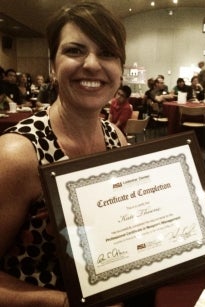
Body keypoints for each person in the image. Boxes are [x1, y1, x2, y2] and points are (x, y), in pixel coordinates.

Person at [0, 3, 134, 307]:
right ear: (52, 65)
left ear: (120, 70)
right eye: (75, 51)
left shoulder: (116, 137)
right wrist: (62, 302)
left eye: (107, 53)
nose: (91, 64)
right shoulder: (18, 154)